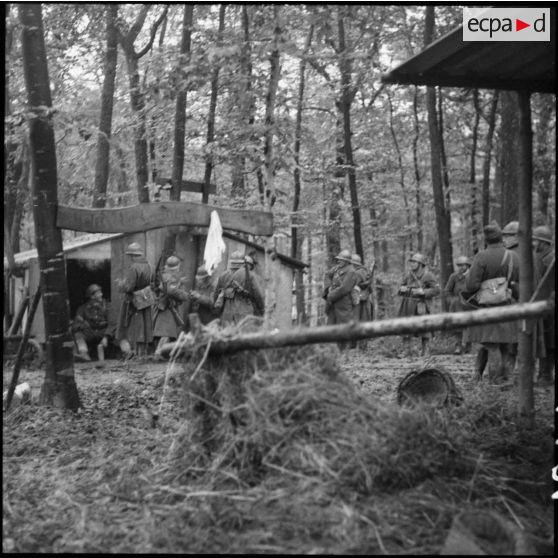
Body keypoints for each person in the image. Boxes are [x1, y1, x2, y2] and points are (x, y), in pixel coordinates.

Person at [464, 224, 519, 384]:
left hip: (487, 307)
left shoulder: (481, 257)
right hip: (509, 305)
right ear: (501, 238)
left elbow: (471, 286)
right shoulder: (514, 256)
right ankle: (508, 380)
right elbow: (521, 283)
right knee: (507, 345)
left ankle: (495, 383)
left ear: (486, 240)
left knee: (492, 346)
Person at [115, 242, 154, 358]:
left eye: (130, 256)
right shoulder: (149, 266)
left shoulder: (133, 267)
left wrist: (120, 284)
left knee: (130, 327)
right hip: (145, 300)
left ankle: (132, 354)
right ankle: (141, 353)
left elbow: (129, 287)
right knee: (144, 327)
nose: (130, 258)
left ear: (133, 255)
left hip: (132, 301)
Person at [397, 253, 440, 357]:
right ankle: (406, 350)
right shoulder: (408, 275)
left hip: (421, 304)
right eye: (411, 262)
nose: (412, 264)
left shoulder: (428, 275)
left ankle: (426, 350)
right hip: (407, 304)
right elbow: (401, 288)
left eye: (414, 262)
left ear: (421, 264)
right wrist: (402, 289)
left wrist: (424, 292)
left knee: (424, 328)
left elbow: (437, 290)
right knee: (406, 327)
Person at [152, 255, 189, 358]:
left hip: (170, 308)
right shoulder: (166, 278)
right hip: (166, 308)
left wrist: (177, 290)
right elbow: (167, 291)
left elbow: (182, 295)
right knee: (166, 332)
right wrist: (182, 294)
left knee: (167, 333)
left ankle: (161, 353)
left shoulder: (173, 278)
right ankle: (158, 353)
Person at [532, 225, 554, 386]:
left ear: (543, 242)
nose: (533, 243)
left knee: (550, 342)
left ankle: (545, 375)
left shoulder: (551, 259)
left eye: (536, 240)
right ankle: (544, 375)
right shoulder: (538, 257)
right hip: (543, 307)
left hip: (551, 307)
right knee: (545, 341)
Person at [325, 249, 359, 350]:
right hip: (334, 302)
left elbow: (345, 288)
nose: (338, 261)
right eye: (338, 259)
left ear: (347, 261)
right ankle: (333, 350)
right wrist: (328, 289)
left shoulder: (351, 271)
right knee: (331, 326)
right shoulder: (337, 269)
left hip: (343, 303)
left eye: (341, 259)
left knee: (344, 326)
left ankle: (346, 350)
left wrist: (331, 296)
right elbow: (327, 275)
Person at [221, 254, 265, 325]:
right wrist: (263, 309)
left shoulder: (225, 274)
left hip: (228, 311)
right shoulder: (251, 275)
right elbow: (259, 295)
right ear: (250, 265)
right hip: (244, 310)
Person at [71, 283, 110, 362]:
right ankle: (83, 353)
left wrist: (106, 336)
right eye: (98, 293)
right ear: (92, 296)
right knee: (78, 335)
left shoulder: (107, 306)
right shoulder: (83, 308)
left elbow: (113, 323)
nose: (101, 295)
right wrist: (84, 326)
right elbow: (76, 323)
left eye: (100, 293)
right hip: (90, 332)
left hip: (104, 332)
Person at [444, 256, 472, 354]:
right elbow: (447, 291)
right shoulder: (454, 277)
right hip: (456, 305)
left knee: (468, 326)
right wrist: (452, 300)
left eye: (463, 265)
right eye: (459, 265)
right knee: (457, 327)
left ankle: (467, 345)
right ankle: (458, 345)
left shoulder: (473, 275)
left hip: (469, 304)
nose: (461, 267)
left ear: (467, 265)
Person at [351, 254, 373, 349]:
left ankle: (357, 345)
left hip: (358, 299)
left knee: (357, 321)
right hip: (363, 298)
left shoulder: (358, 273)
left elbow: (350, 284)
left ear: (354, 264)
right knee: (362, 320)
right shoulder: (365, 271)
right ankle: (361, 345)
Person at [213, 251, 245, 316]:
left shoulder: (223, 275)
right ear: (243, 263)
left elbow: (216, 295)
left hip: (226, 311)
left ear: (230, 262)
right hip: (242, 311)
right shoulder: (248, 276)